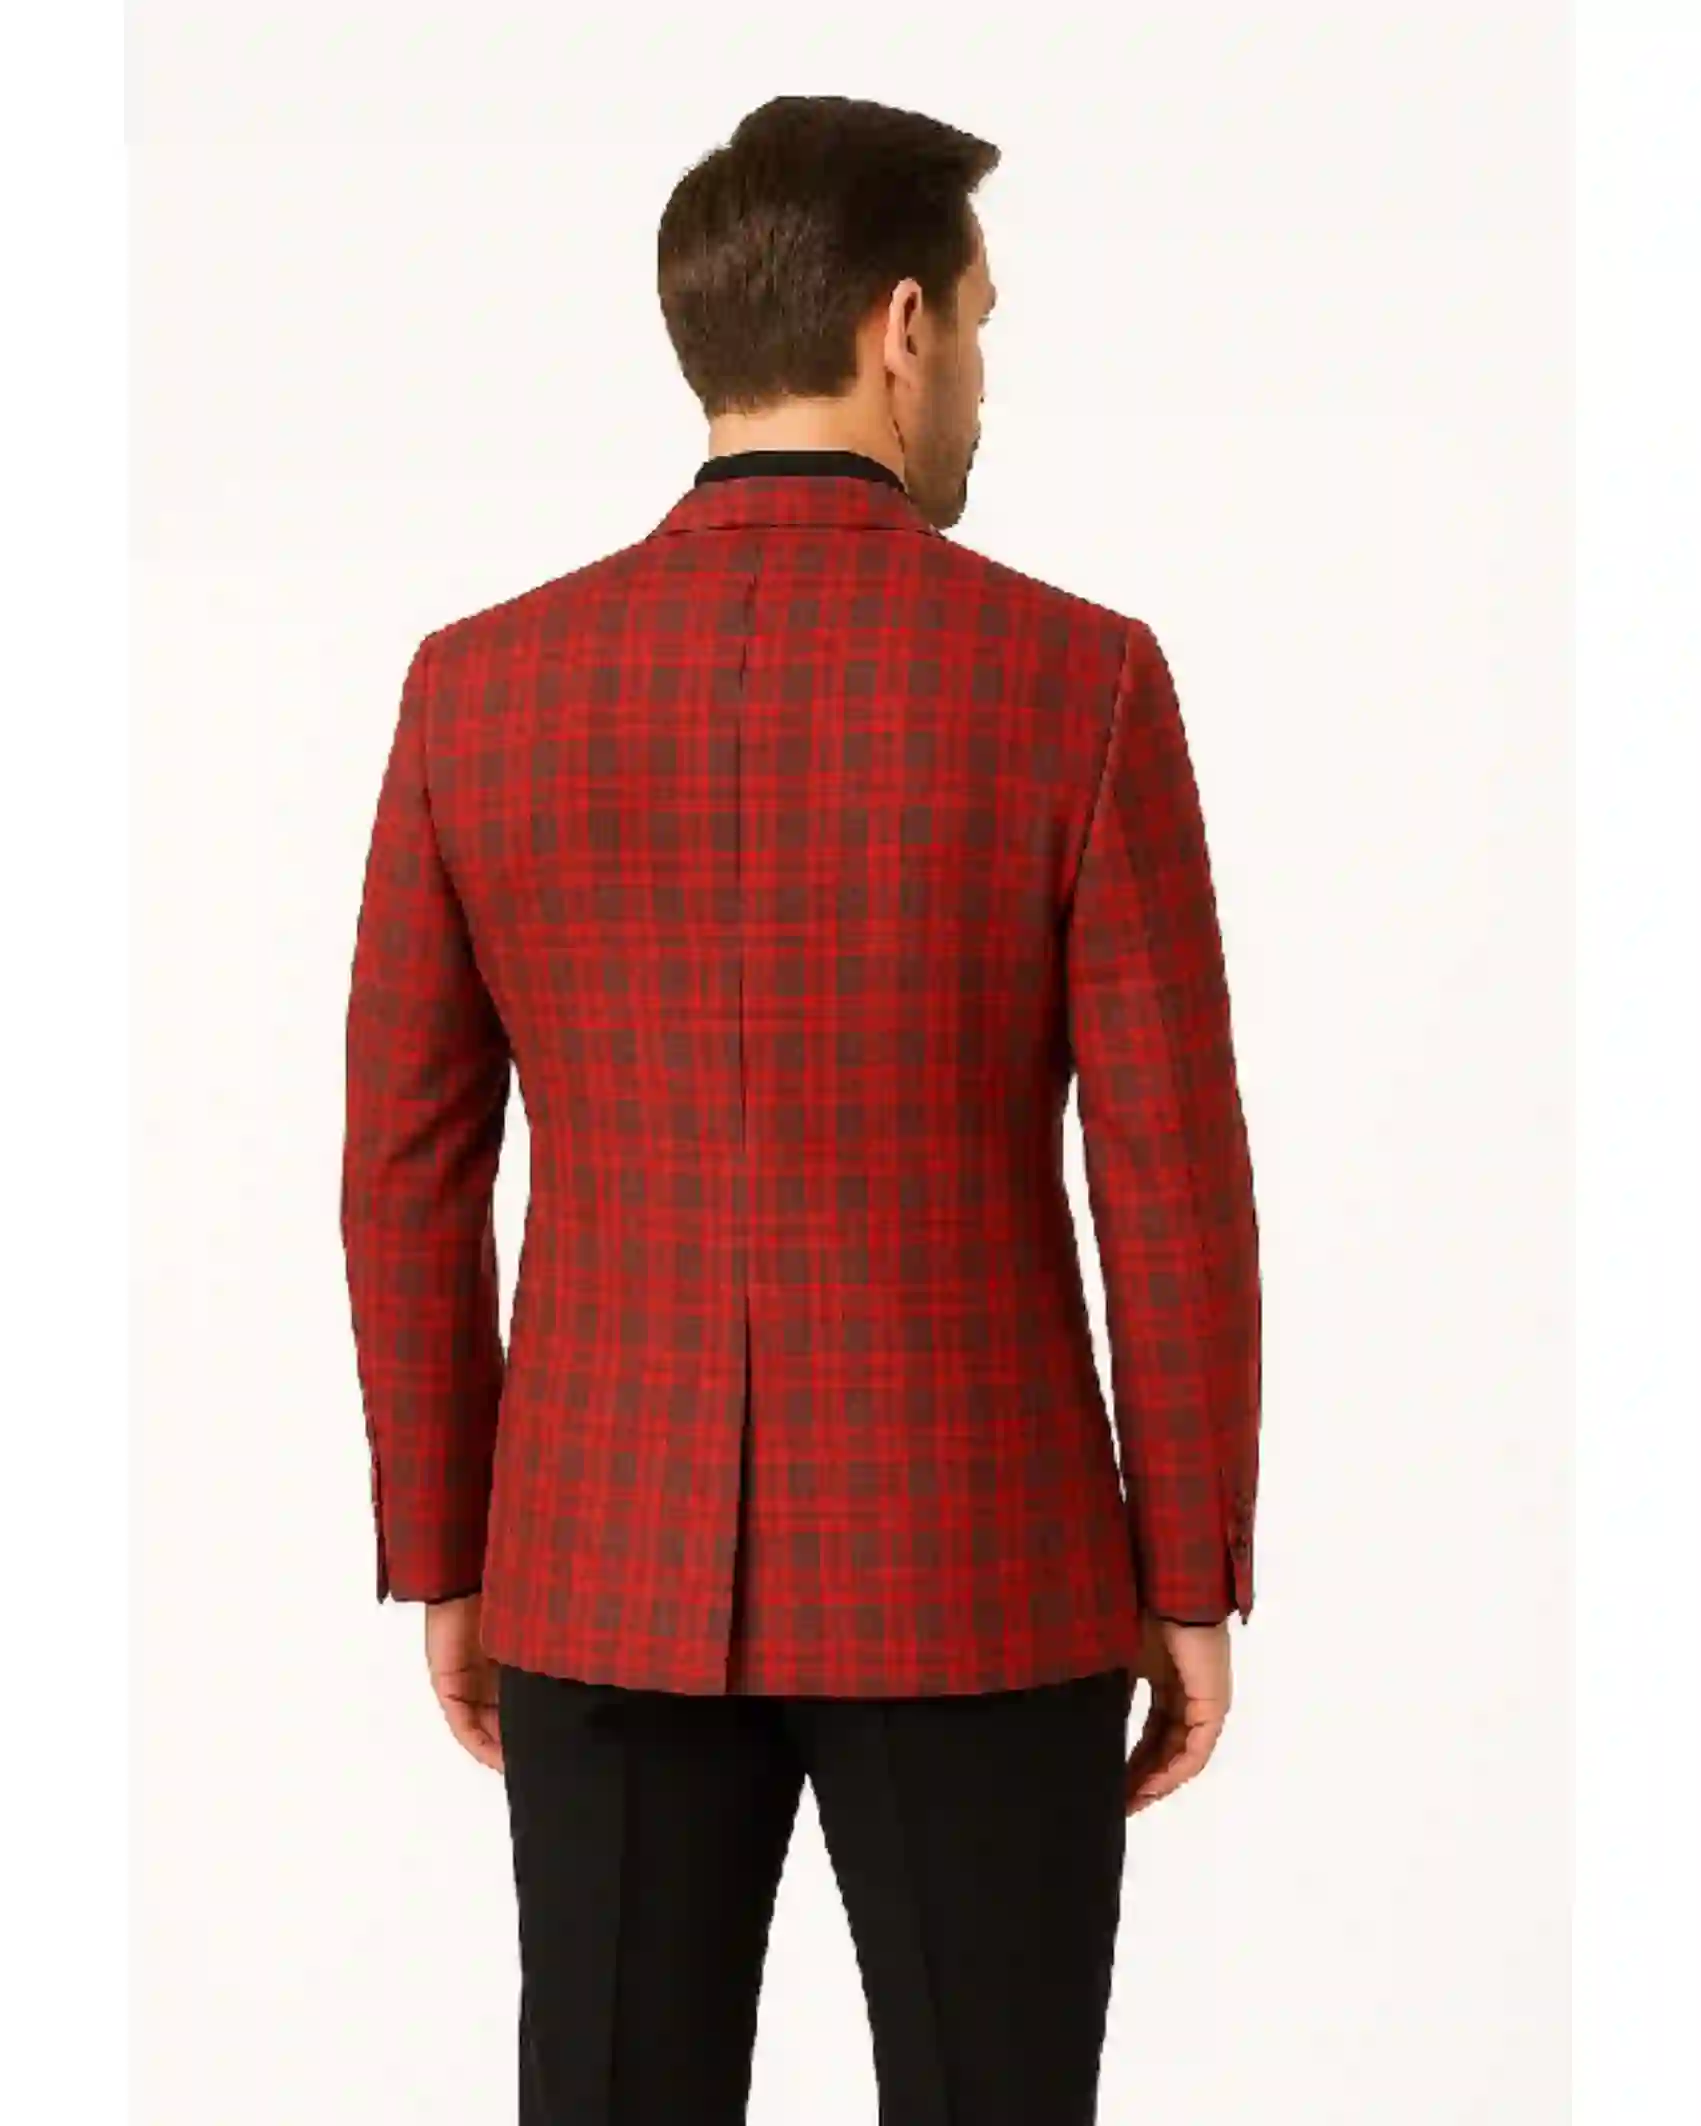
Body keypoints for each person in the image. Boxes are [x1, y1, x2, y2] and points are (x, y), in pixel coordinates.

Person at [341, 91, 1261, 2126]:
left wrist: (447, 1542)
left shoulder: (477, 686)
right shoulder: (1079, 680)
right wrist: (1188, 1569)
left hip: (595, 1554)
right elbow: (1169, 1178)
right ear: (900, 328)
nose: (982, 381)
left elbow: (408, 1165)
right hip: (986, 1566)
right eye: (984, 329)